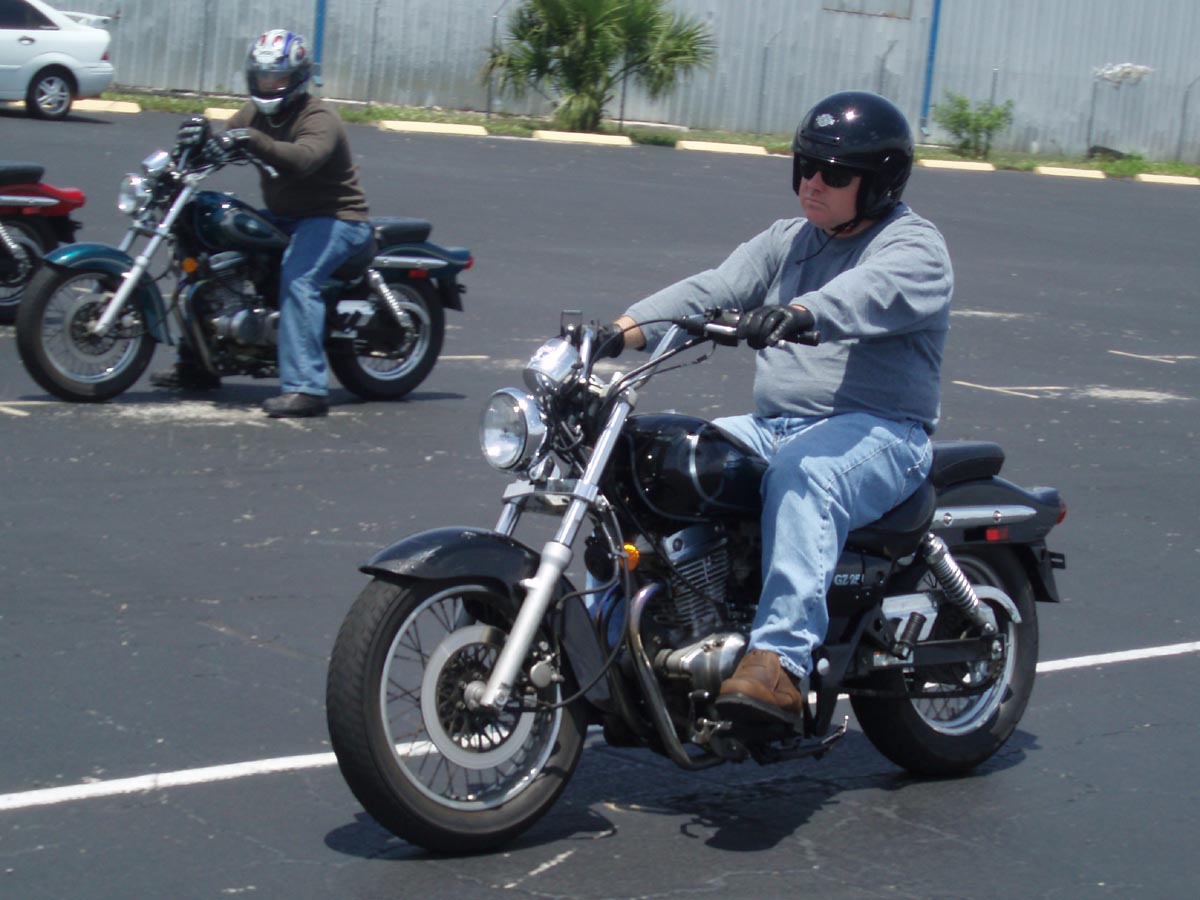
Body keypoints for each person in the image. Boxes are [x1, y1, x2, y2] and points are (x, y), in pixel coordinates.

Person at [607, 91, 953, 728]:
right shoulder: (789, 240)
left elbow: (866, 293)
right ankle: (664, 625)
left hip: (882, 433)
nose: (813, 182)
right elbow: (713, 289)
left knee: (805, 473)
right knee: (662, 459)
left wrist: (799, 312)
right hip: (776, 427)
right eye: (806, 166)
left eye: (835, 174)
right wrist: (619, 331)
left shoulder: (914, 247)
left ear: (878, 182)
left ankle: (780, 663)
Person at [152, 29, 372, 418]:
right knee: (204, 246)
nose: (269, 84)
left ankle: (307, 388)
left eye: (278, 77)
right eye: (263, 76)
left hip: (337, 218)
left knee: (299, 277)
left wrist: (252, 140)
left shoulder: (319, 116)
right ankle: (197, 363)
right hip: (286, 218)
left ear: (297, 78)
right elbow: (222, 144)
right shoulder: (253, 115)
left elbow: (303, 158)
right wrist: (195, 141)